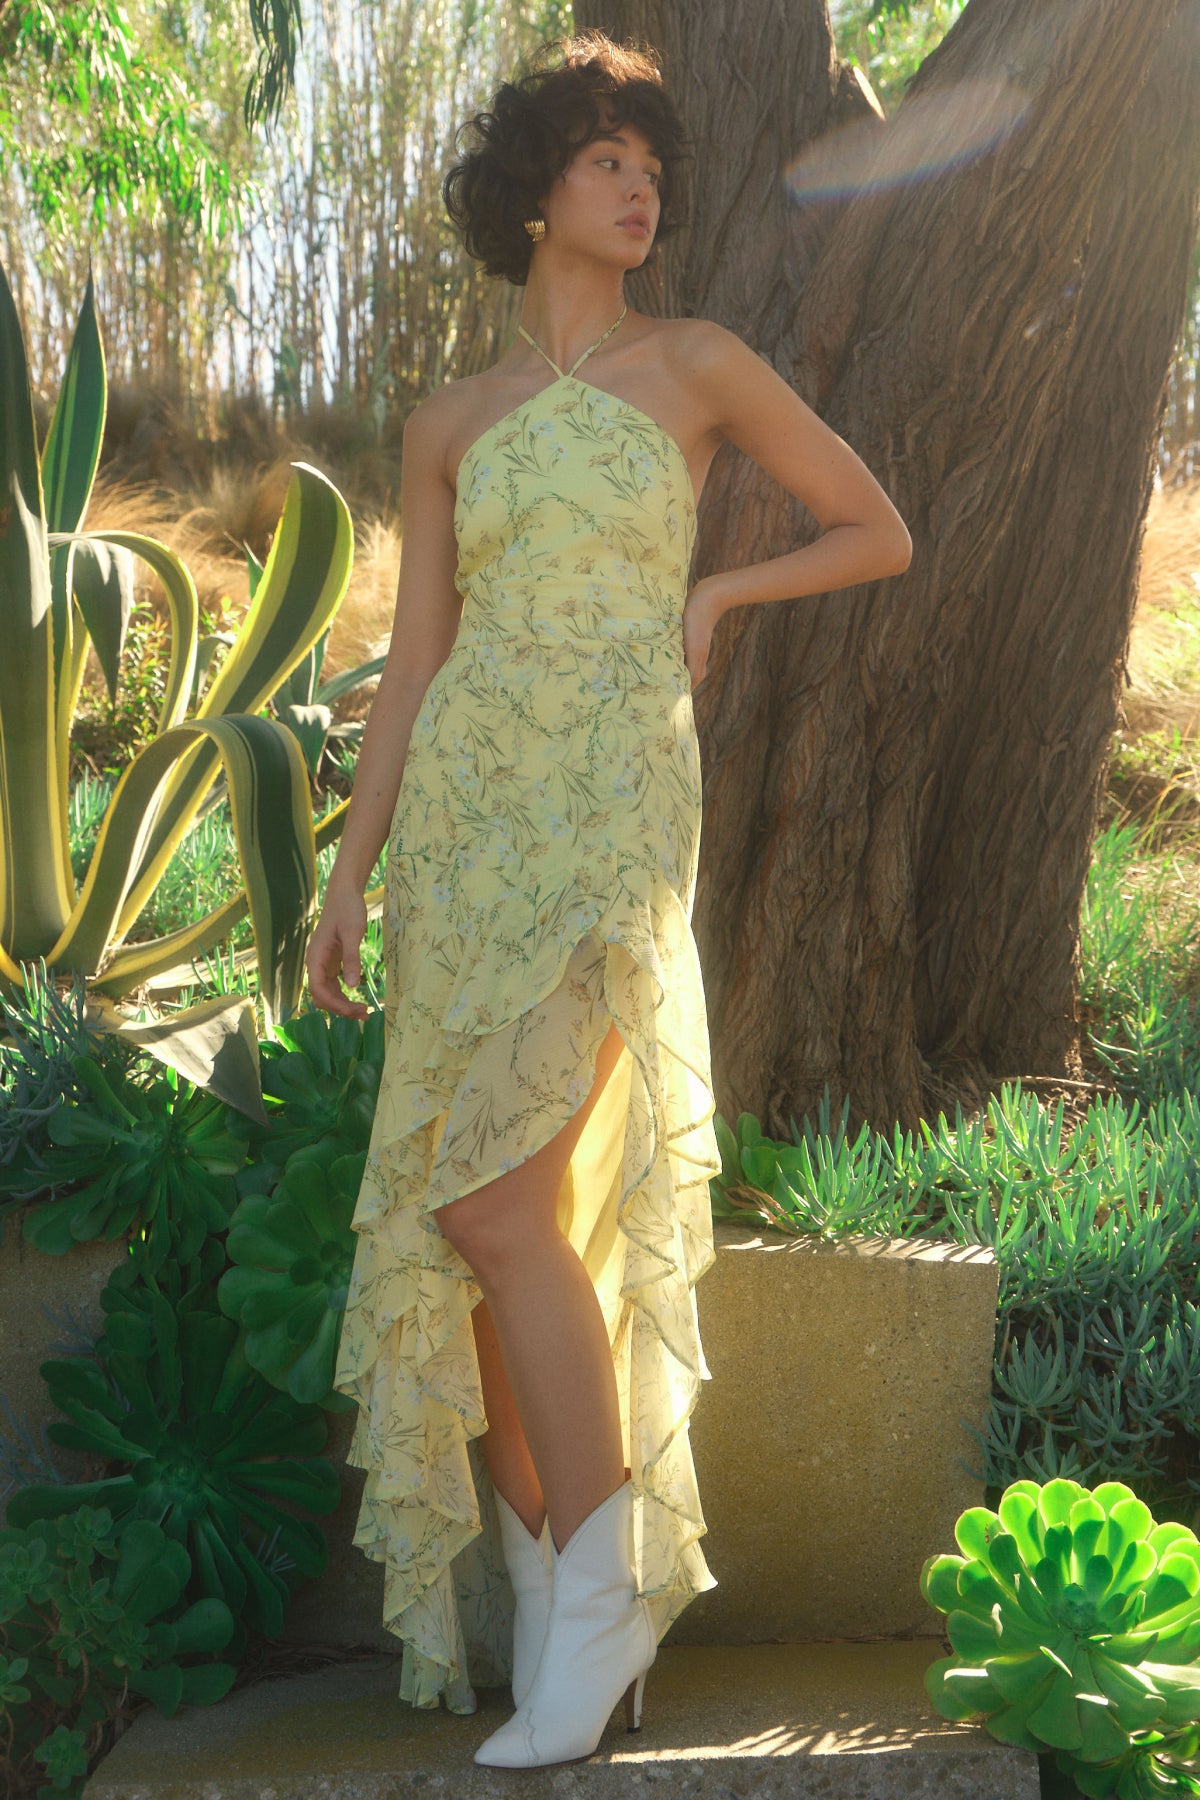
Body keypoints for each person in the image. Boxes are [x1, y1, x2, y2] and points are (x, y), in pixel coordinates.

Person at [305, 26, 911, 1772]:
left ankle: (604, 1582)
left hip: (609, 817)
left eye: (652, 164)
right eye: (606, 160)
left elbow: (874, 524)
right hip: (465, 834)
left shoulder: (700, 364)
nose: (641, 185)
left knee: (501, 1212)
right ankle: (567, 1589)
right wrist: (350, 882)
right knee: (484, 1230)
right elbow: (414, 661)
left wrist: (723, 598)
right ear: (534, 196)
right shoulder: (451, 420)